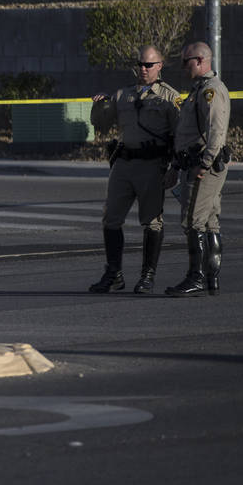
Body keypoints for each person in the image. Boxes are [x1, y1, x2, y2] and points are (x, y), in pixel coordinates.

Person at [87, 45, 180, 293]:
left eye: (148, 65)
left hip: (152, 165)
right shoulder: (123, 95)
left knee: (151, 222)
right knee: (111, 218)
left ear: (159, 66)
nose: (142, 69)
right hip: (124, 165)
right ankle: (113, 273)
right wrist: (99, 105)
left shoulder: (170, 97)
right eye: (139, 64)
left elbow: (180, 135)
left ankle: (147, 275)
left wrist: (175, 167)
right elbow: (101, 125)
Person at [165, 42, 231, 297]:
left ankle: (196, 277)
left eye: (187, 61)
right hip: (195, 163)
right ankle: (211, 277)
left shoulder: (210, 91)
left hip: (202, 167)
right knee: (210, 221)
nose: (183, 67)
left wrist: (205, 163)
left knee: (193, 220)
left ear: (201, 60)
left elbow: (217, 131)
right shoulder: (200, 90)